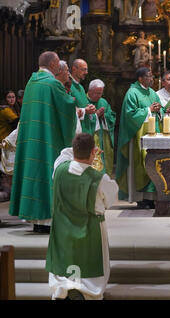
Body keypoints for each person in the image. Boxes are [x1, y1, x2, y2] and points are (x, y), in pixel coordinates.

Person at [9, 51, 77, 233]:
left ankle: (37, 222)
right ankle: (47, 220)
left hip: (33, 141)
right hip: (48, 139)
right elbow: (67, 107)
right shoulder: (52, 83)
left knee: (35, 176)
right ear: (54, 64)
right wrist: (74, 102)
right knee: (48, 174)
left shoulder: (31, 82)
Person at [46, 133, 118, 300]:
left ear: (75, 150)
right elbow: (109, 200)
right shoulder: (100, 179)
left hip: (63, 227)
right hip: (89, 228)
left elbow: (65, 153)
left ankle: (64, 289)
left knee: (67, 259)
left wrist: (83, 149)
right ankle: (87, 291)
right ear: (94, 152)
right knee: (89, 265)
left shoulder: (59, 168)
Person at [116, 67, 162, 209]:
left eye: (152, 76)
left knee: (153, 164)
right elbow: (129, 115)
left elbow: (160, 112)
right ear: (140, 78)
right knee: (140, 165)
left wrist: (160, 110)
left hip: (152, 134)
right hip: (137, 136)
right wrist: (149, 110)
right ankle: (140, 198)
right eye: (148, 76)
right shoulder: (132, 92)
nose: (151, 78)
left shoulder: (153, 93)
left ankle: (151, 197)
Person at [86, 79, 116, 176]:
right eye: (97, 93)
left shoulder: (103, 102)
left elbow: (112, 117)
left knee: (105, 165)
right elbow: (81, 120)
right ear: (90, 91)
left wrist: (104, 116)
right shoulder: (84, 101)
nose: (99, 96)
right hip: (91, 137)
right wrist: (95, 116)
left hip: (104, 138)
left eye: (101, 93)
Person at [70, 59, 97, 134]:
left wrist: (91, 107)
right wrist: (85, 110)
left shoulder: (81, 87)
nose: (86, 72)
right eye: (83, 70)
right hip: (76, 130)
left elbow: (85, 104)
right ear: (74, 69)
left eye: (86, 70)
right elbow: (68, 108)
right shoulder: (68, 86)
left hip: (85, 129)